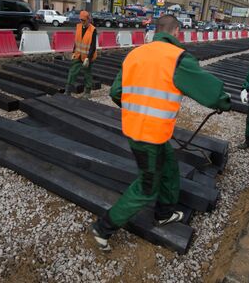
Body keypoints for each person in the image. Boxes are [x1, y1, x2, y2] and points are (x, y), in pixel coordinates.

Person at [90, 15, 232, 251]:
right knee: (147, 188)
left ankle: (164, 212)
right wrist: (224, 102)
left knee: (168, 167)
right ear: (176, 31)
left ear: (157, 31)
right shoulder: (176, 58)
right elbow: (209, 91)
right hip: (149, 136)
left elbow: (116, 92)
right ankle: (103, 227)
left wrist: (138, 109)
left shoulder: (135, 54)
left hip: (141, 130)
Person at [65, 10, 97, 99]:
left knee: (87, 73)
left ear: (88, 19)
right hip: (78, 54)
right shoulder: (78, 27)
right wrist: (73, 52)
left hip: (88, 56)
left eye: (84, 20)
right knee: (72, 71)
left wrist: (88, 58)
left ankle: (87, 92)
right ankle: (68, 90)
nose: (82, 22)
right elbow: (76, 41)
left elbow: (93, 46)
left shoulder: (93, 30)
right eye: (81, 20)